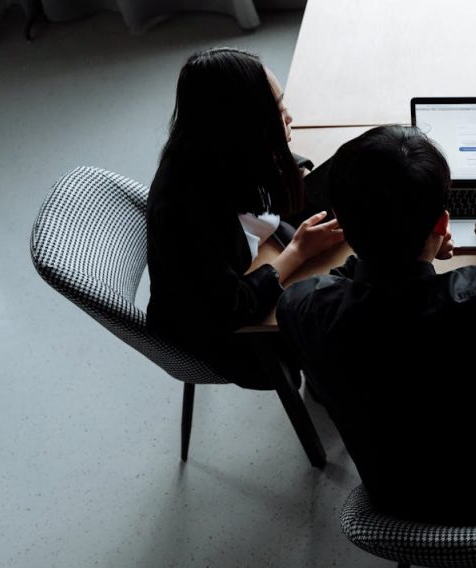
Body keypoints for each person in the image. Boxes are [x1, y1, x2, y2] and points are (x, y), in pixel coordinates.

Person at [276, 125, 476, 524]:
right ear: (442, 225)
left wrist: (394, 259)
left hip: (396, 499)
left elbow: (343, 287)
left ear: (344, 226)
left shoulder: (303, 306)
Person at [146, 47, 344, 389]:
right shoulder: (188, 211)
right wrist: (297, 252)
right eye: (278, 111)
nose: (290, 117)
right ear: (243, 127)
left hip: (248, 265)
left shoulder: (215, 149)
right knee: (349, 322)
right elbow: (231, 307)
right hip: (231, 339)